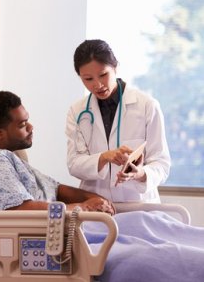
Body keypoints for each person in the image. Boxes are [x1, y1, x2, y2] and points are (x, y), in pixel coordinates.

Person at [0, 90, 115, 215]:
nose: (31, 127)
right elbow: (21, 209)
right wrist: (84, 207)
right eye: (22, 125)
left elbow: (56, 189)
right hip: (54, 230)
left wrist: (96, 198)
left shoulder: (7, 157)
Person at [66, 39, 171, 203]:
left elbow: (161, 163)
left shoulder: (147, 106)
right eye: (88, 79)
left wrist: (140, 174)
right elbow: (74, 164)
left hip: (138, 205)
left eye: (103, 75)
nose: (97, 84)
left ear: (115, 67)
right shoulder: (77, 111)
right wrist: (104, 157)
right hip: (97, 206)